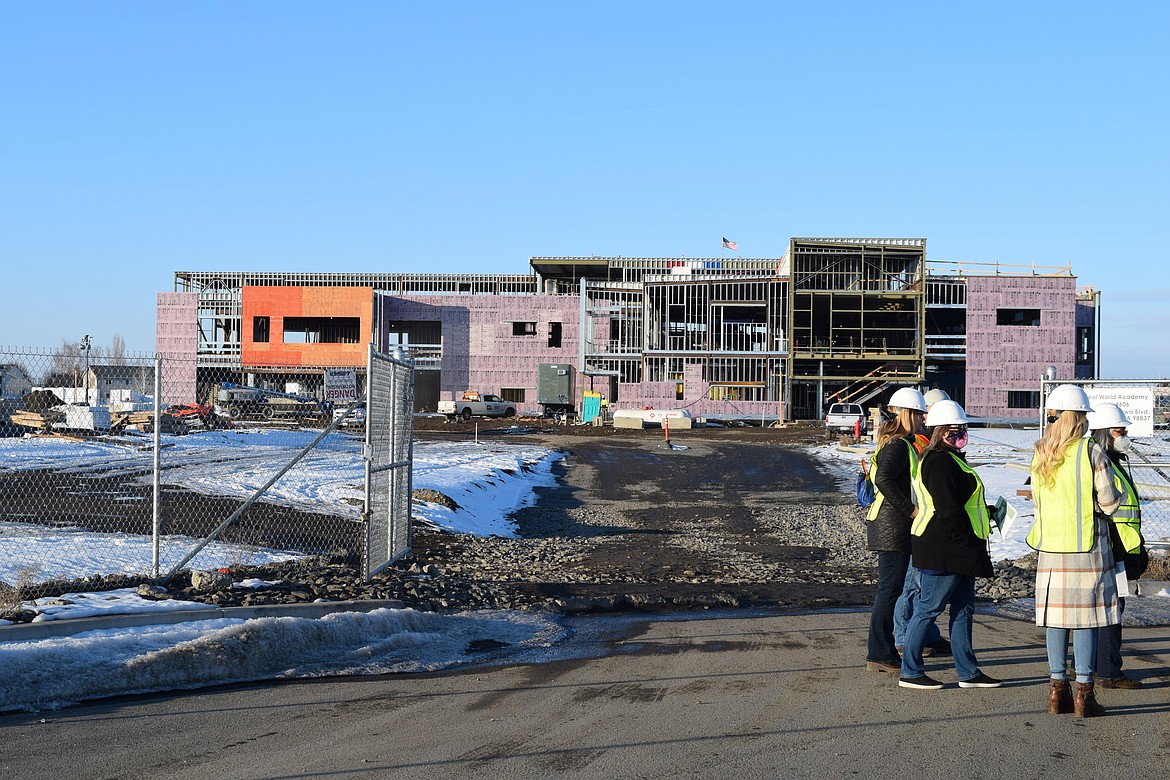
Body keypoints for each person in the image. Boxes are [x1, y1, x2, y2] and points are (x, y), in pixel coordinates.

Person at [1028, 384, 1122, 718]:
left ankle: (1057, 691)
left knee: (1056, 620)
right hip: (1087, 548)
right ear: (1079, 417)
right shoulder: (1091, 452)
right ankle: (1084, 693)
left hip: (1051, 549)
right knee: (1085, 621)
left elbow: (1039, 503)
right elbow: (1109, 504)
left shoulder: (1040, 451)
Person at [898, 400, 1000, 690]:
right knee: (927, 609)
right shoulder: (939, 462)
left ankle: (968, 672)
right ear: (938, 432)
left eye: (962, 431)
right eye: (952, 432)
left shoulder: (951, 458)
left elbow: (962, 503)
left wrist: (988, 513)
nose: (959, 436)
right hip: (944, 548)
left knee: (964, 610)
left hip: (960, 549)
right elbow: (948, 510)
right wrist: (967, 539)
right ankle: (911, 671)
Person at [865, 387, 929, 673]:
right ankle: (879, 652)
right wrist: (912, 510)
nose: (922, 420)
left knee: (891, 591)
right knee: (888, 591)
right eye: (919, 414)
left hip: (893, 525)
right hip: (892, 527)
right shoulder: (898, 445)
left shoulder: (898, 442)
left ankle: (885, 650)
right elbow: (884, 480)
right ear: (908, 414)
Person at [1088, 402, 1148, 689]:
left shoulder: (1112, 460)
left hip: (1120, 545)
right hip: (1113, 547)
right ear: (1103, 433)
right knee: (1111, 610)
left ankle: (1089, 665)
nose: (1124, 433)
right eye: (1118, 429)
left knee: (1105, 609)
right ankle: (1108, 671)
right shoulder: (1103, 463)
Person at [893, 388, 952, 657]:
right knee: (913, 585)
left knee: (923, 585)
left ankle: (927, 634)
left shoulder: (925, 442)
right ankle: (904, 637)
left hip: (926, 521)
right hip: (920, 522)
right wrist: (913, 511)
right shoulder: (914, 444)